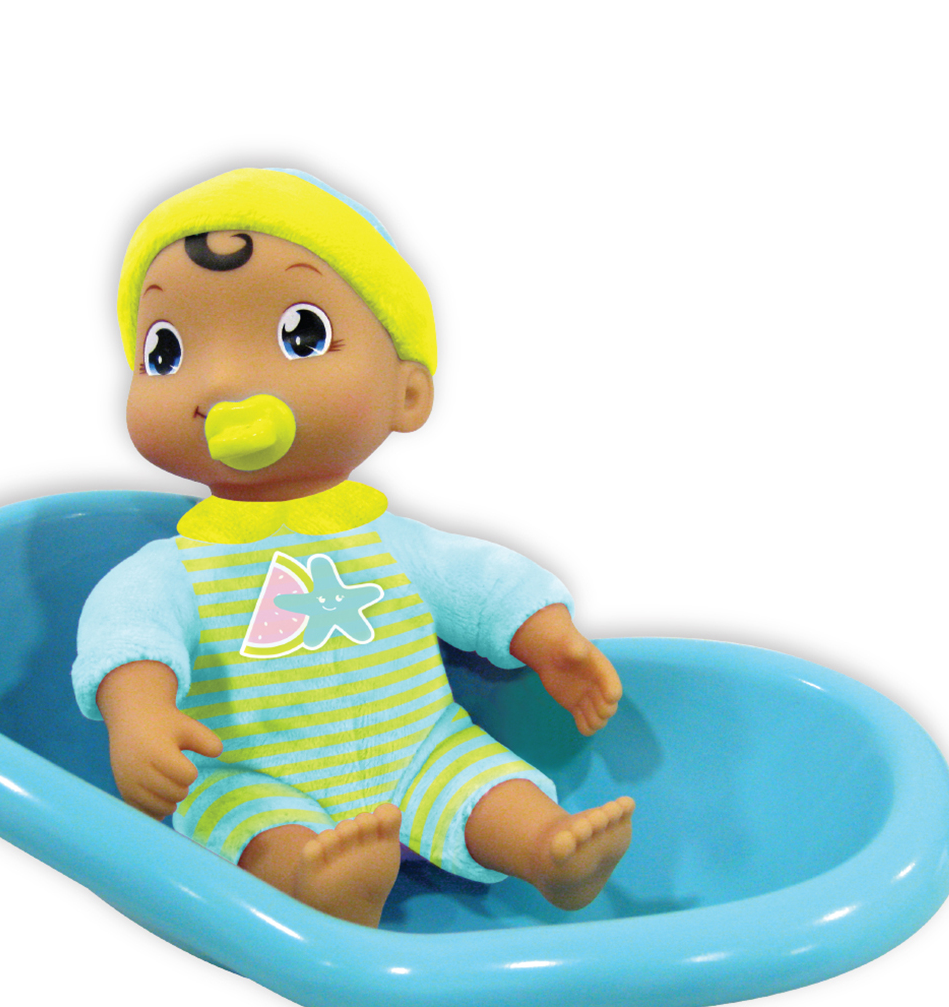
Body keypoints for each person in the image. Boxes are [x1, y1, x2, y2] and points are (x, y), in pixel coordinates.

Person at [73, 168, 633, 927]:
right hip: (256, 768)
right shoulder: (174, 570)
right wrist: (139, 715)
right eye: (167, 352)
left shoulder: (395, 544)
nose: (227, 381)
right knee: (246, 821)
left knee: (479, 780)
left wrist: (548, 639)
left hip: (417, 744)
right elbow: (130, 631)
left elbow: (477, 582)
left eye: (299, 335)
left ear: (407, 392)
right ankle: (314, 887)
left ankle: (547, 850)